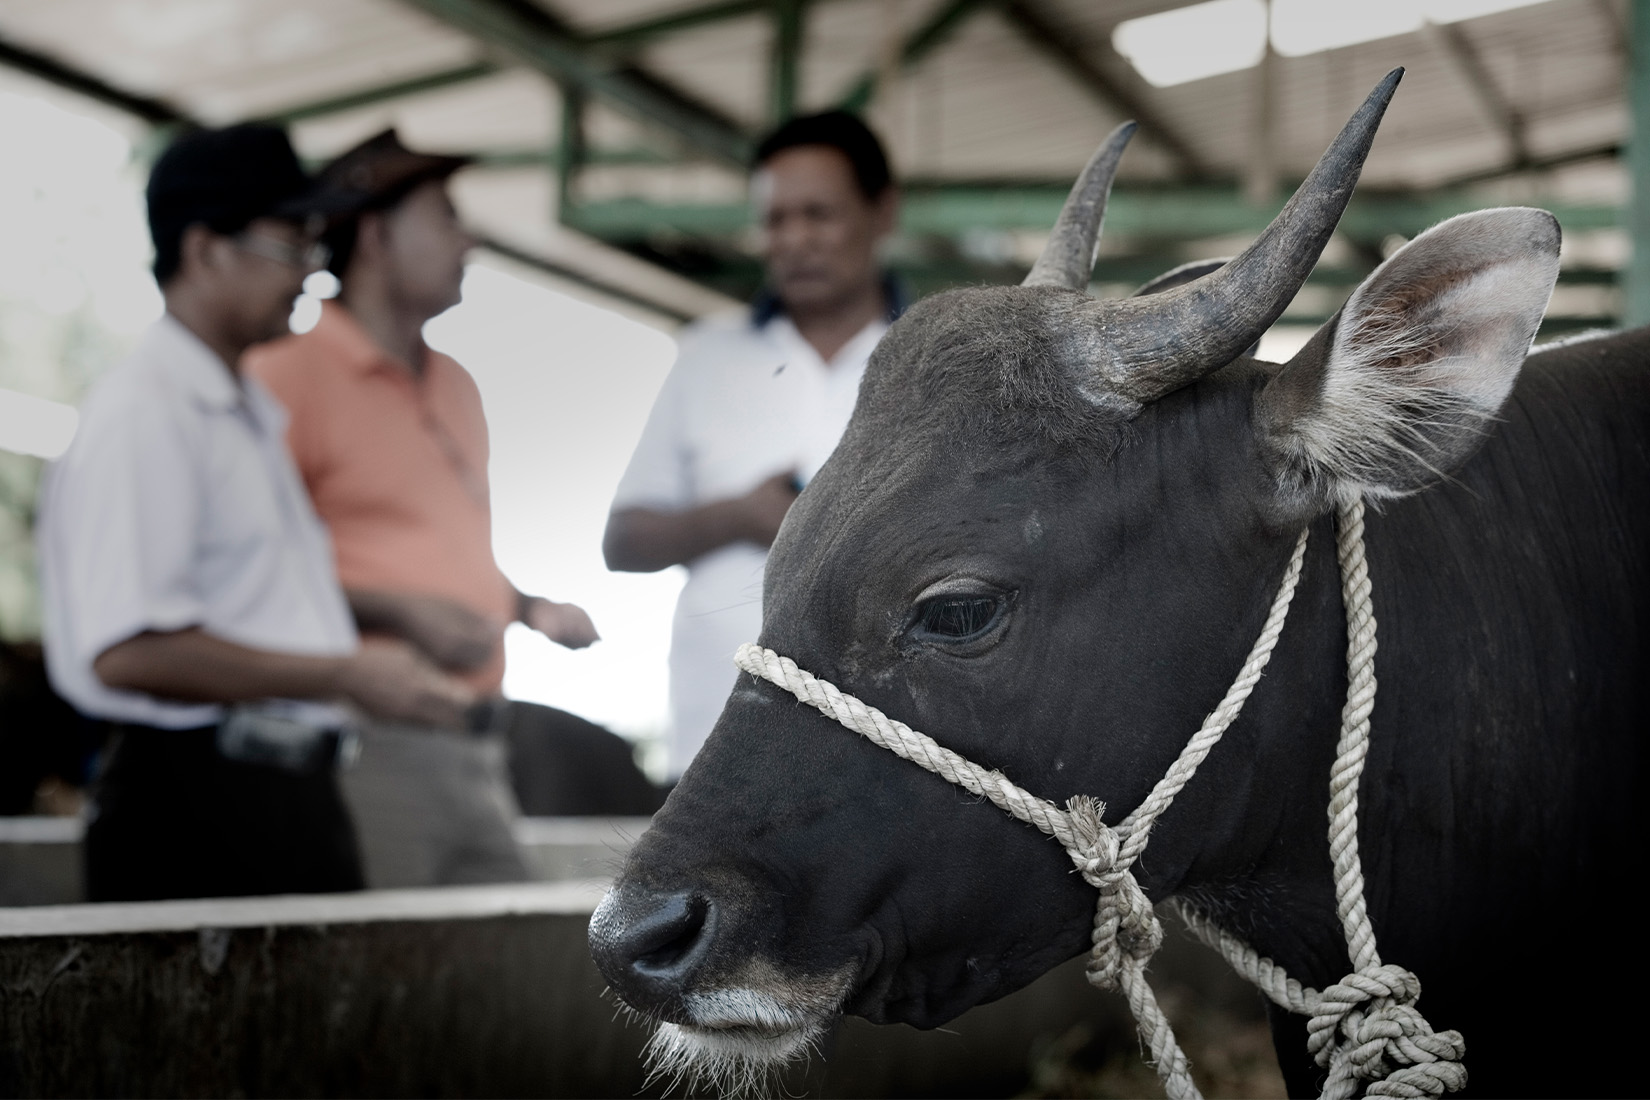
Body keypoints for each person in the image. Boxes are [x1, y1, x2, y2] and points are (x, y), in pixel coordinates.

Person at [36, 124, 475, 902]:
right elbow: (127, 651)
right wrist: (345, 672)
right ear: (206, 251)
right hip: (196, 801)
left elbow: (248, 603)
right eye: (288, 245)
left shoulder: (239, 408)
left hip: (277, 790)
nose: (311, 270)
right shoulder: (148, 411)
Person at [246, 130, 612, 887]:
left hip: (479, 743)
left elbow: (446, 553)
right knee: (380, 985)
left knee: (500, 978)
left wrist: (525, 605)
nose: (468, 237)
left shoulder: (458, 384)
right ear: (376, 236)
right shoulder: (286, 375)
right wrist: (399, 612)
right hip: (367, 743)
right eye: (445, 216)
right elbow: (247, 574)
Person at [603, 111, 902, 779]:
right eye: (774, 219)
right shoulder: (707, 356)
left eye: (818, 214)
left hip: (890, 756)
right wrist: (738, 516)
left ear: (883, 212)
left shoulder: (935, 361)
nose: (794, 240)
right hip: (715, 751)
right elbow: (621, 542)